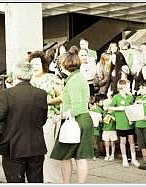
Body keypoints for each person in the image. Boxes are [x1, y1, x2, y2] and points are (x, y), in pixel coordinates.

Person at [0, 62, 48, 183]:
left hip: (14, 147)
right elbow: (43, 119)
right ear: (30, 75)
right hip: (36, 146)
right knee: (37, 181)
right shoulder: (41, 94)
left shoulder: (6, 94)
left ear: (16, 75)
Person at [50, 52, 93, 183]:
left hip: (74, 121)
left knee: (65, 157)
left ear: (64, 65)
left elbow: (76, 107)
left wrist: (59, 116)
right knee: (80, 158)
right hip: (83, 120)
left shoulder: (73, 81)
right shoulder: (79, 78)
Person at [28, 50, 63, 183]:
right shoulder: (28, 80)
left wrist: (46, 101)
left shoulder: (52, 78)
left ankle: (51, 180)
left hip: (48, 118)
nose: (35, 66)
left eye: (37, 63)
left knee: (48, 150)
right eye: (32, 64)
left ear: (43, 64)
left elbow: (62, 97)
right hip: (30, 121)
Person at [108, 79, 140, 168]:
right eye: (128, 87)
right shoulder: (116, 97)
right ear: (122, 87)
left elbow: (132, 109)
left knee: (132, 141)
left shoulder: (130, 97)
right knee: (123, 142)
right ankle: (124, 159)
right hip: (121, 123)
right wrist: (120, 108)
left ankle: (133, 159)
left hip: (129, 122)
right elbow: (109, 108)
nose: (129, 89)